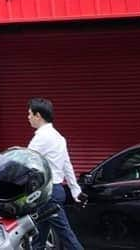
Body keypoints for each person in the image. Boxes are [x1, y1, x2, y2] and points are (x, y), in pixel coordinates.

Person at [26, 98, 85, 250]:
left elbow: (24, 160)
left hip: (48, 194)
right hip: (53, 190)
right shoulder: (58, 137)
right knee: (39, 238)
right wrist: (75, 189)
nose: (28, 117)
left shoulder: (42, 137)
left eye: (30, 114)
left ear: (38, 116)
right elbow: (67, 165)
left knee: (66, 235)